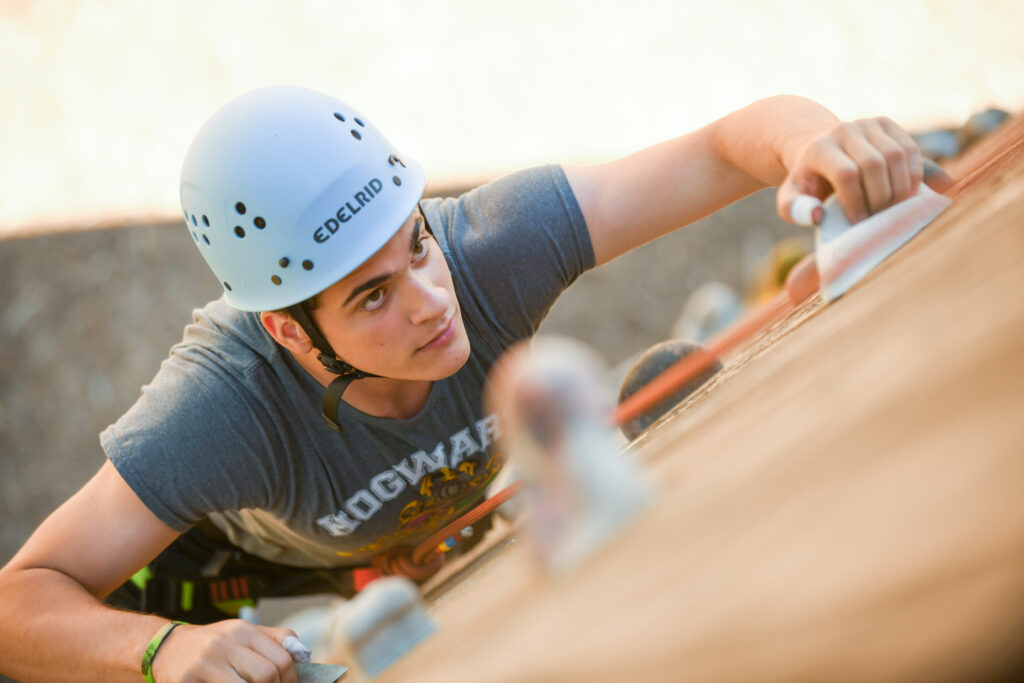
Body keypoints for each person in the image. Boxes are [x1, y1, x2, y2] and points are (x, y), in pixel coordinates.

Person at [0, 84, 926, 682]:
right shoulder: (216, 415)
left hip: (401, 522)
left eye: (417, 245)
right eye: (371, 295)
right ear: (289, 329)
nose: (432, 301)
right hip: (232, 567)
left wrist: (824, 144)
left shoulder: (487, 247)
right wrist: (162, 647)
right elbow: (20, 598)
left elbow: (730, 144)